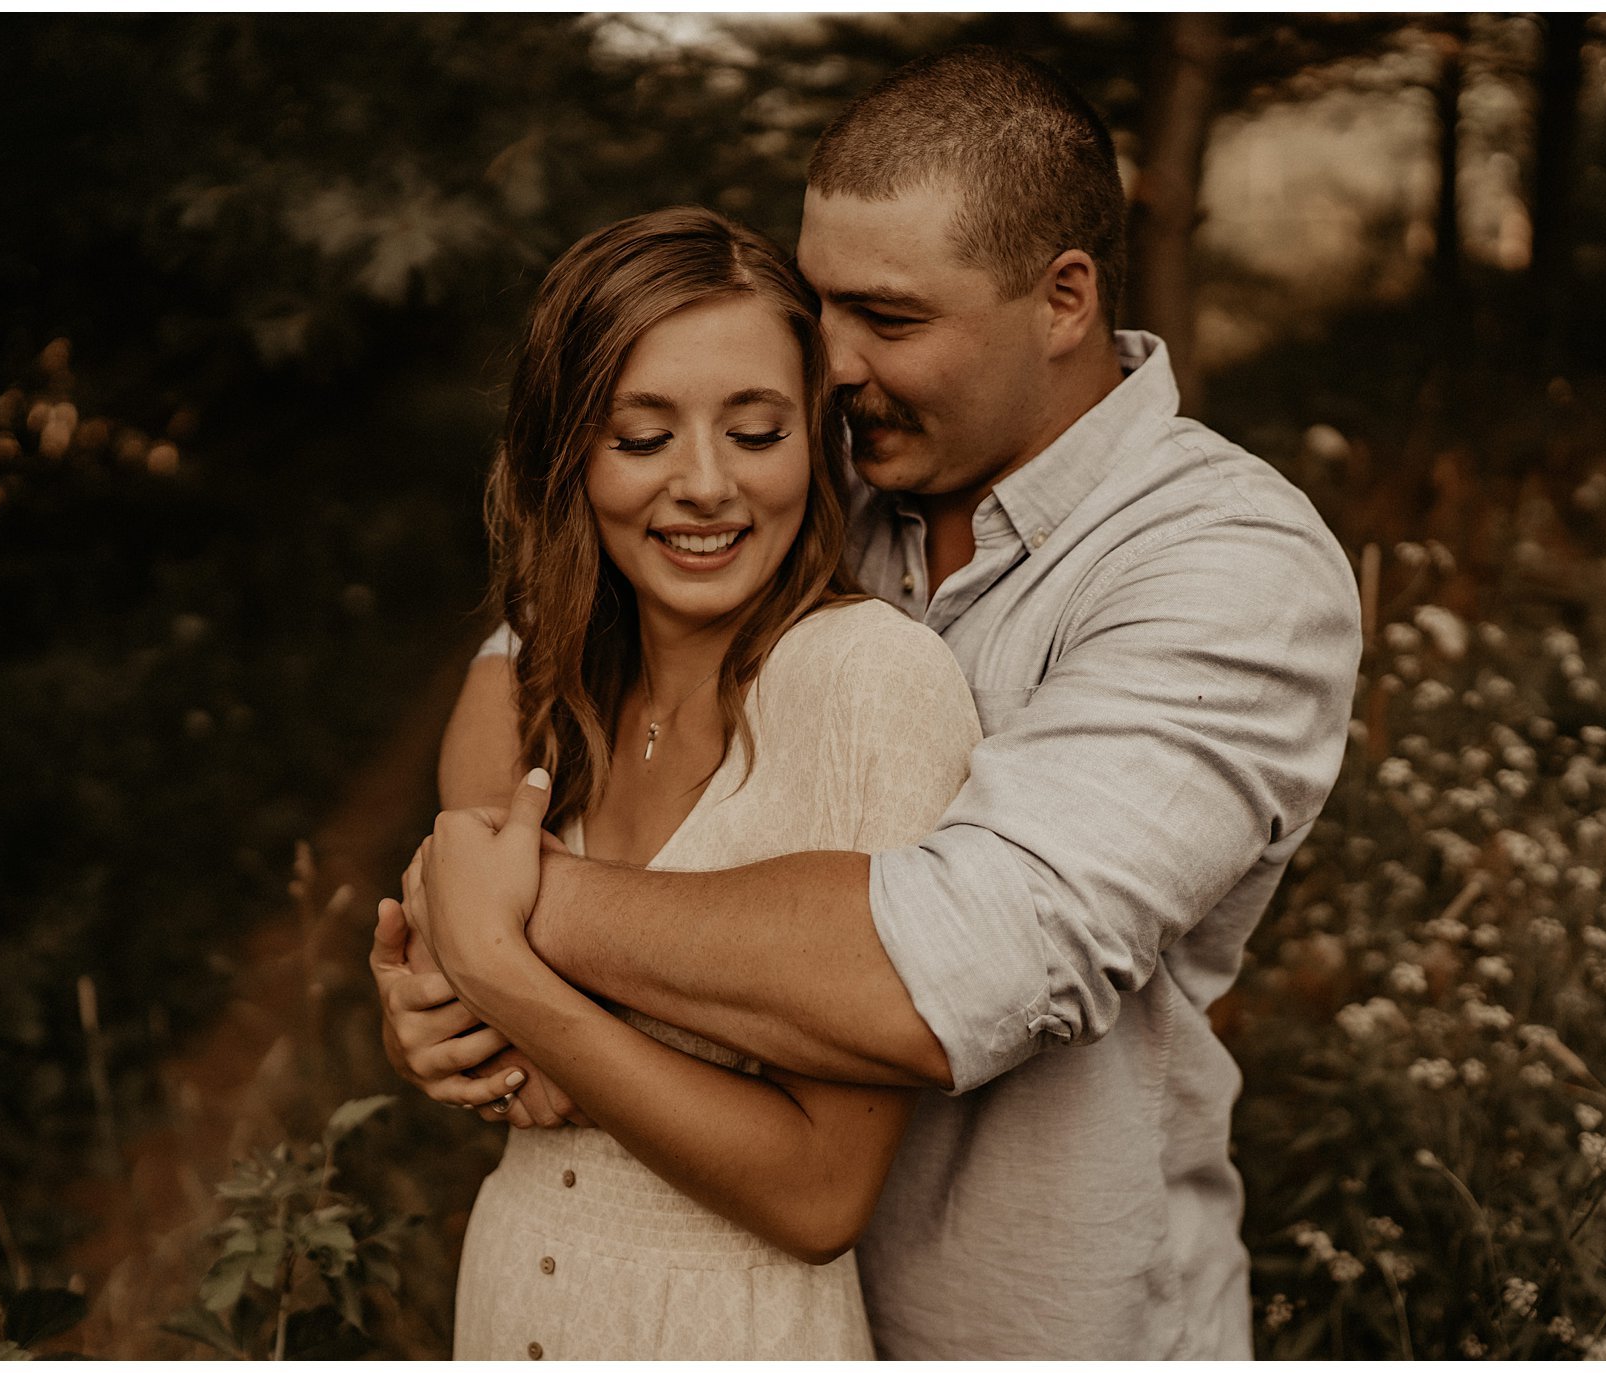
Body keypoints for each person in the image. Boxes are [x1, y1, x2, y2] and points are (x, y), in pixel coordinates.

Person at [378, 45, 1362, 1359]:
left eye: (889, 320)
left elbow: (955, 964)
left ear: (1063, 298)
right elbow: (545, 629)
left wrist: (503, 918)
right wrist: (464, 934)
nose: (830, 365)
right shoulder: (829, 468)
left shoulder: (1223, 564)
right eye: (820, 305)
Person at [389, 203, 983, 1359]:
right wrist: (427, 1033)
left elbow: (820, 1193)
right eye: (641, 436)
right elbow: (461, 995)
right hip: (512, 1296)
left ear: (815, 442)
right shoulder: (545, 678)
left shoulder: (871, 682)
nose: (704, 485)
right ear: (568, 453)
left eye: (754, 433)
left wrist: (505, 976)